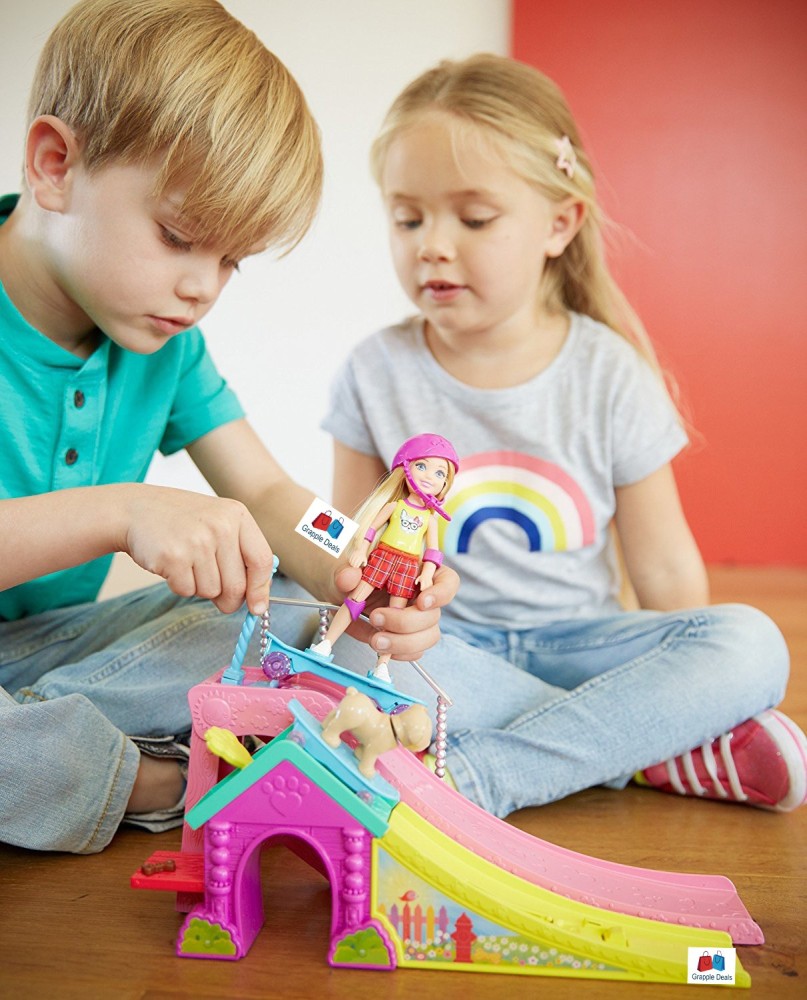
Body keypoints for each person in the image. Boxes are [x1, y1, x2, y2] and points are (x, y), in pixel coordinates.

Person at [0, 0, 456, 854]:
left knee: (285, 611)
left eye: (231, 261)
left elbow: (269, 492)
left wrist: (347, 553)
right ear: (56, 164)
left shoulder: (165, 344)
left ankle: (62, 751)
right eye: (178, 237)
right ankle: (154, 778)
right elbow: (125, 512)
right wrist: (125, 509)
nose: (203, 288)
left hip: (50, 651)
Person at [319, 53, 807, 819]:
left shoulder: (608, 372)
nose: (431, 244)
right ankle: (645, 749)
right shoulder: (372, 370)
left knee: (749, 643)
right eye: (407, 217)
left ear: (559, 223)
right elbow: (346, 555)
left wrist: (679, 674)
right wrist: (359, 601)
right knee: (330, 638)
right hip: (444, 650)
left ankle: (486, 771)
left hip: (581, 645)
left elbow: (663, 568)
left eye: (473, 219)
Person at [311, 433, 458, 681]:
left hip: (408, 566)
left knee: (395, 616)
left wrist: (427, 573)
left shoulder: (430, 518)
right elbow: (369, 530)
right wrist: (360, 549)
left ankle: (383, 667)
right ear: (406, 469)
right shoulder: (394, 506)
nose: (429, 476)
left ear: (445, 483)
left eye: (439, 473)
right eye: (421, 466)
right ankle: (326, 643)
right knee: (356, 598)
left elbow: (433, 551)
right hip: (382, 556)